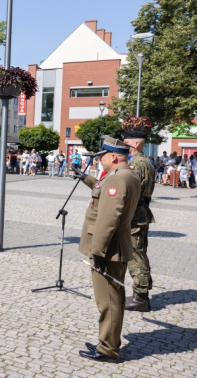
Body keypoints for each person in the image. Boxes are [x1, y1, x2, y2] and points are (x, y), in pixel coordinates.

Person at [75, 136, 141, 362]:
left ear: (113, 156)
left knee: (109, 301)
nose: (100, 159)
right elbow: (105, 191)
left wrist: (98, 251)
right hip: (116, 248)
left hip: (108, 250)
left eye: (102, 156)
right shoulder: (126, 175)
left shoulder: (116, 179)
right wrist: (87, 179)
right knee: (113, 298)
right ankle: (108, 340)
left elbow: (108, 219)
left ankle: (108, 349)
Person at [120, 129, 156, 311]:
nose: (123, 144)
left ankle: (140, 297)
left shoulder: (136, 164)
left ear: (135, 144)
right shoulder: (145, 162)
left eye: (126, 142)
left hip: (135, 214)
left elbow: (129, 190)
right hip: (141, 212)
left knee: (136, 255)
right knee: (139, 252)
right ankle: (141, 293)